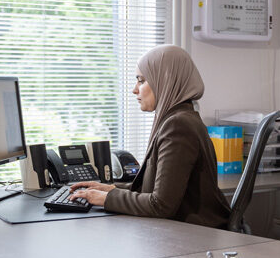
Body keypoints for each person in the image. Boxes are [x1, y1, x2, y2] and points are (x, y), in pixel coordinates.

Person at [70, 44, 231, 229]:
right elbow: (151, 191)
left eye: (141, 80)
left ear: (165, 80)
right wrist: (110, 189)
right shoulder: (177, 118)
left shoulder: (178, 125)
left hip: (196, 234)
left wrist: (106, 199)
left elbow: (161, 205)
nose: (134, 89)